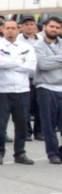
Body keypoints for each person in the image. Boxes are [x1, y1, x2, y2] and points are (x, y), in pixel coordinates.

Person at [0, 17, 37, 165]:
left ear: (18, 30)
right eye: (7, 28)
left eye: (13, 28)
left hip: (22, 90)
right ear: (3, 30)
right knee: (0, 125)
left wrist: (12, 63)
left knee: (22, 124)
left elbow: (31, 67)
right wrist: (20, 62)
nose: (10, 30)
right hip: (2, 90)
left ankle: (20, 152)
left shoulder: (26, 47)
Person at [32, 15, 62, 164]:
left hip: (61, 87)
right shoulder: (37, 46)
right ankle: (53, 153)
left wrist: (53, 60)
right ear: (45, 28)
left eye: (57, 27)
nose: (54, 29)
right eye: (52, 26)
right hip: (45, 87)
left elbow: (47, 62)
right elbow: (42, 65)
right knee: (49, 124)